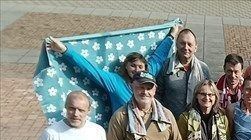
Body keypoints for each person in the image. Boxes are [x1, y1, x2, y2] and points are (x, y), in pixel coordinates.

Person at [46, 24, 180, 115]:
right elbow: (90, 69)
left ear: (146, 68)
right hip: (123, 133)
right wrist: (65, 50)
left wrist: (172, 35)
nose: (137, 70)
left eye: (140, 66)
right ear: (126, 66)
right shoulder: (114, 82)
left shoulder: (149, 74)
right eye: (132, 66)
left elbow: (159, 56)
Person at [157, 28, 211, 119]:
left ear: (195, 47)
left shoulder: (203, 69)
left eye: (190, 44)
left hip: (196, 122)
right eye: (182, 43)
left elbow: (210, 95)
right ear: (176, 44)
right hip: (170, 121)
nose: (186, 47)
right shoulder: (166, 66)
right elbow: (157, 93)